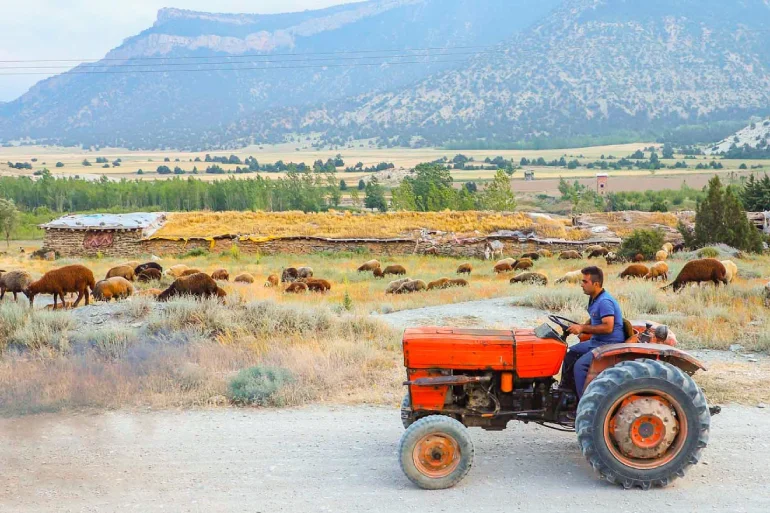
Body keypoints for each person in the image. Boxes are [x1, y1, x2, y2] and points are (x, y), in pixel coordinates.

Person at [560, 266, 625, 398]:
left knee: (580, 366)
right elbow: (595, 317)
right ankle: (565, 392)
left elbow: (608, 327)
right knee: (570, 354)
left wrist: (583, 328)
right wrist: (581, 325)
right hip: (597, 341)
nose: (581, 285)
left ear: (596, 284)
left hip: (610, 344)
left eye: (585, 282)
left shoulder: (604, 301)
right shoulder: (594, 298)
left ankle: (583, 403)